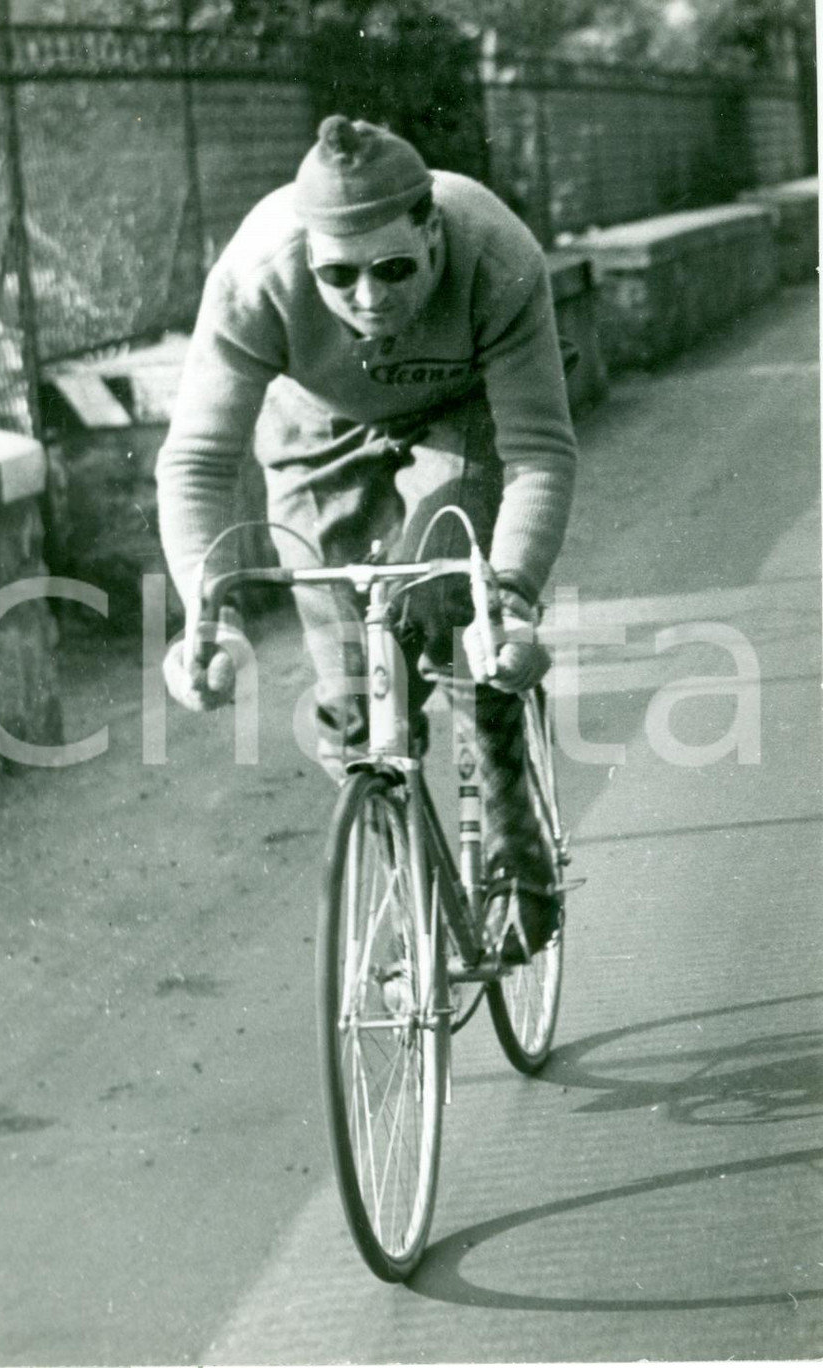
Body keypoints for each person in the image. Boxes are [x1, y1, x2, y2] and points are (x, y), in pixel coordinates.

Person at [157, 115, 577, 961]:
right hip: (319, 424)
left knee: (453, 614)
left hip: (460, 418)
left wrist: (514, 597)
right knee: (352, 701)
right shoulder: (256, 277)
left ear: (433, 230)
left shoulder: (496, 258)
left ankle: (516, 832)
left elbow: (538, 451)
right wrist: (210, 618)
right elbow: (197, 461)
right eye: (338, 276)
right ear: (306, 256)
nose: (369, 298)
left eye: (393, 269)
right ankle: (405, 889)